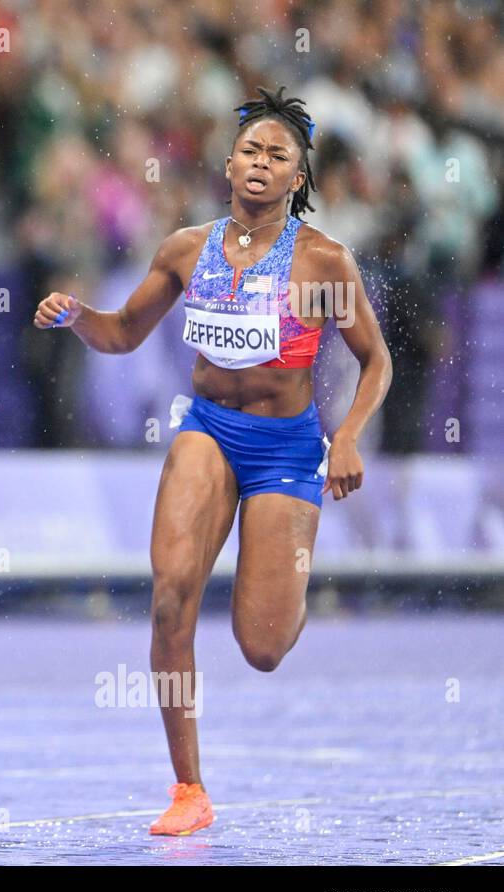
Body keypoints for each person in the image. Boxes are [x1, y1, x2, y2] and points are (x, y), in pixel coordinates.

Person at [34, 87, 392, 835]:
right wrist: (77, 317)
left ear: (297, 177)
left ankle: (289, 572)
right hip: (207, 430)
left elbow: (376, 362)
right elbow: (122, 333)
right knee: (170, 599)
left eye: (278, 156)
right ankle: (188, 789)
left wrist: (349, 436)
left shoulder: (323, 261)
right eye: (250, 150)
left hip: (287, 451)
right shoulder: (185, 249)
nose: (261, 163)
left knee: (262, 646)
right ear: (228, 164)